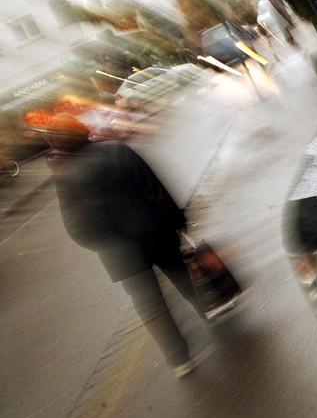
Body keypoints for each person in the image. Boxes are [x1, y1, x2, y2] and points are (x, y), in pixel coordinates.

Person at [42, 112, 203, 377]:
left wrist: (108, 244)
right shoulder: (116, 151)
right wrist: (178, 219)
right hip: (156, 235)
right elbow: (155, 190)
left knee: (150, 305)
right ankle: (207, 312)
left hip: (122, 257)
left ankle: (179, 359)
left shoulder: (65, 176)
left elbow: (76, 228)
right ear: (83, 130)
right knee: (182, 277)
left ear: (58, 144)